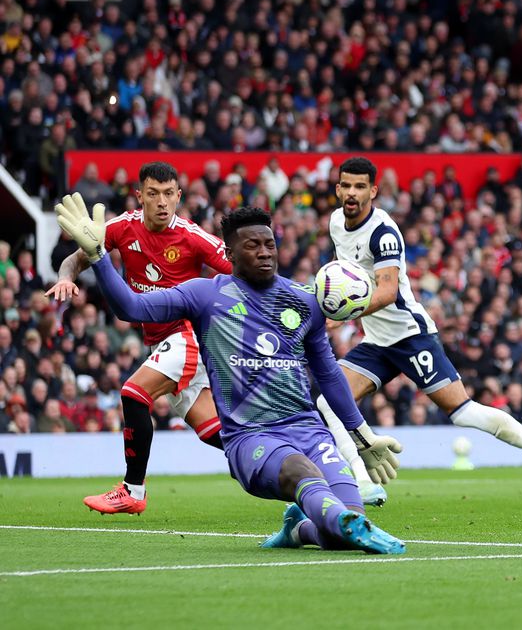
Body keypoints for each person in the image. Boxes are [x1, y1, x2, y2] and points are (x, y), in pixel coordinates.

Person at [55, 196, 405, 553]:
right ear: (230, 253)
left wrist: (361, 436)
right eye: (252, 245)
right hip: (252, 437)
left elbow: (329, 374)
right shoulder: (205, 295)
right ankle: (336, 521)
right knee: (304, 475)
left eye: (270, 244)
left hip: (310, 431)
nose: (265, 252)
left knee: (341, 531)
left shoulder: (305, 301)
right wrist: (99, 257)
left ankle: (300, 530)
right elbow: (132, 307)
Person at [319, 157, 522, 506]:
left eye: (360, 186)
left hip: (410, 335)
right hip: (377, 340)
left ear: (373, 190)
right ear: (338, 188)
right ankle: (362, 481)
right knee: (329, 401)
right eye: (346, 186)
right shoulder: (337, 222)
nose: (352, 193)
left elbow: (387, 292)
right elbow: (345, 279)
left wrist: (344, 312)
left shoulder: (383, 233)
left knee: (463, 412)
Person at [47, 162, 232, 515]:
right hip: (162, 343)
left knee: (134, 393)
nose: (162, 202)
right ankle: (282, 460)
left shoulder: (194, 237)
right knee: (215, 432)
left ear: (179, 196)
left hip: (188, 335)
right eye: (153, 194)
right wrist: (64, 277)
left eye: (168, 194)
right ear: (140, 196)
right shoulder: (121, 228)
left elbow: (243, 269)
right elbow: (77, 258)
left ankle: (132, 490)